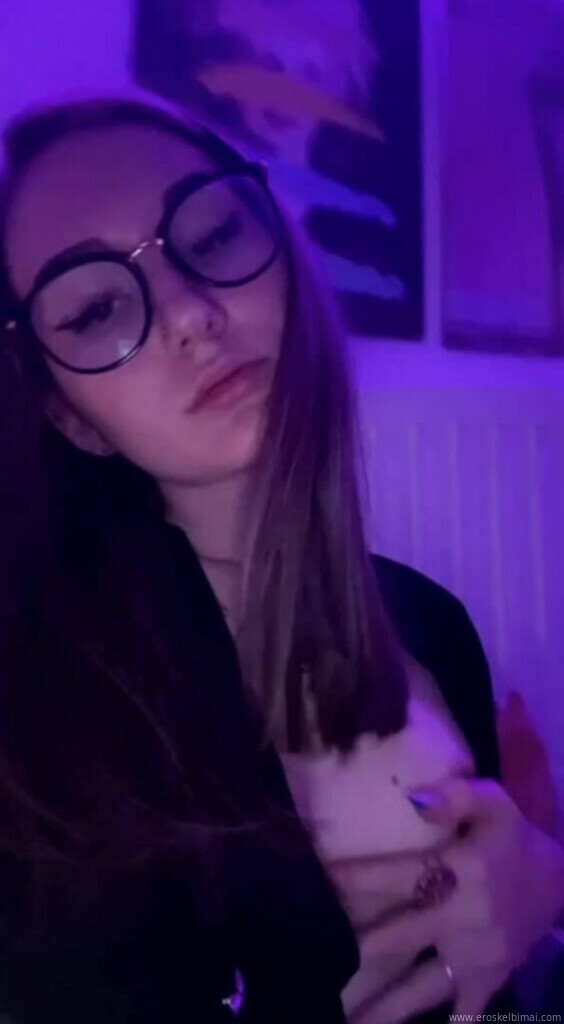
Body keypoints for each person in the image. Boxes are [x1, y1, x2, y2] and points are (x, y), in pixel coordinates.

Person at [0, 95, 562, 1024]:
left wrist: (539, 899)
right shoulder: (40, 727)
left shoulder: (432, 622)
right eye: (96, 308)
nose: (190, 312)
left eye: (215, 234)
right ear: (69, 416)